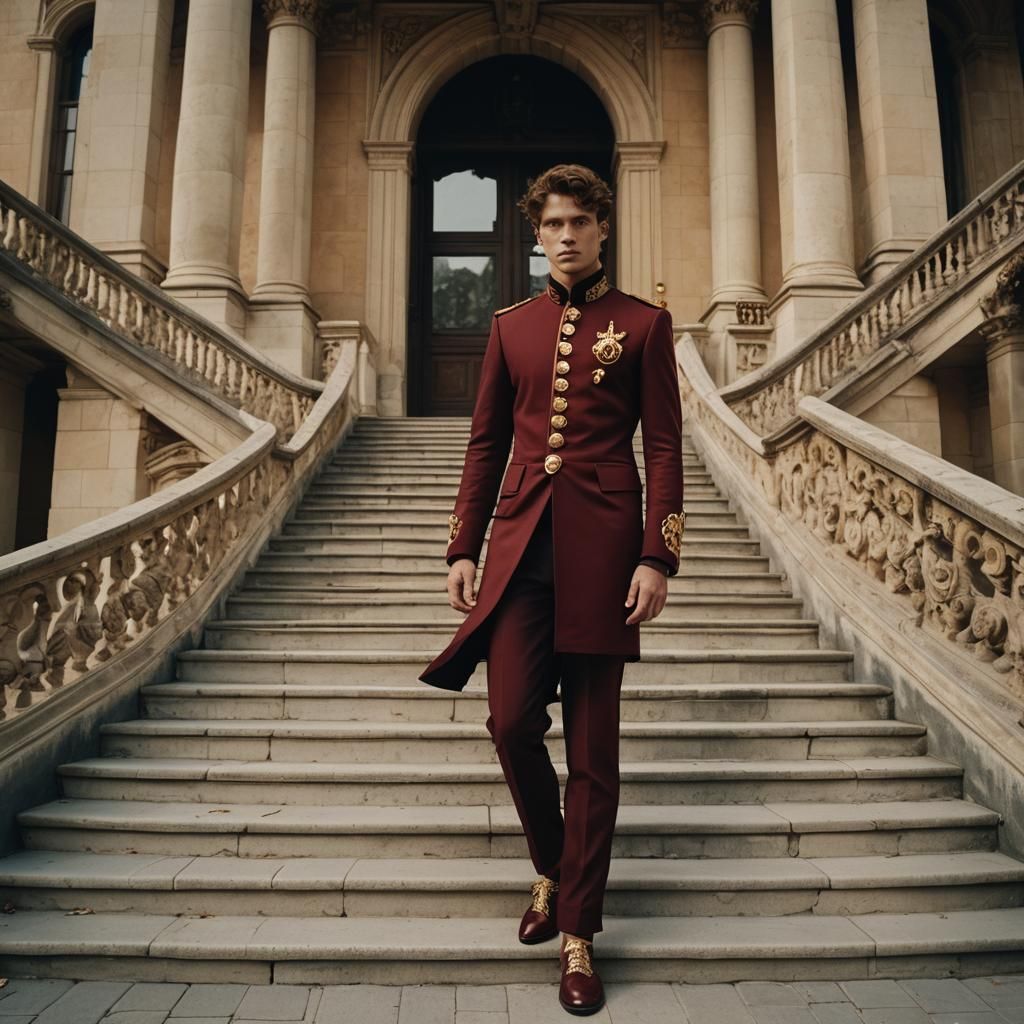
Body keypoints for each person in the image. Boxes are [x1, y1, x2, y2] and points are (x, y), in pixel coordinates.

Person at [419, 163, 684, 1015]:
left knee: (593, 756)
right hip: (519, 550)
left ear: (603, 227)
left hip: (606, 554)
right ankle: (554, 866)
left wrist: (657, 556)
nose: (567, 235)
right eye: (553, 224)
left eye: (580, 221)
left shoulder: (644, 325)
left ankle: (578, 935)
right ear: (537, 236)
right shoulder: (511, 328)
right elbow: (484, 444)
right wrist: (463, 545)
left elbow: (665, 448)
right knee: (509, 723)